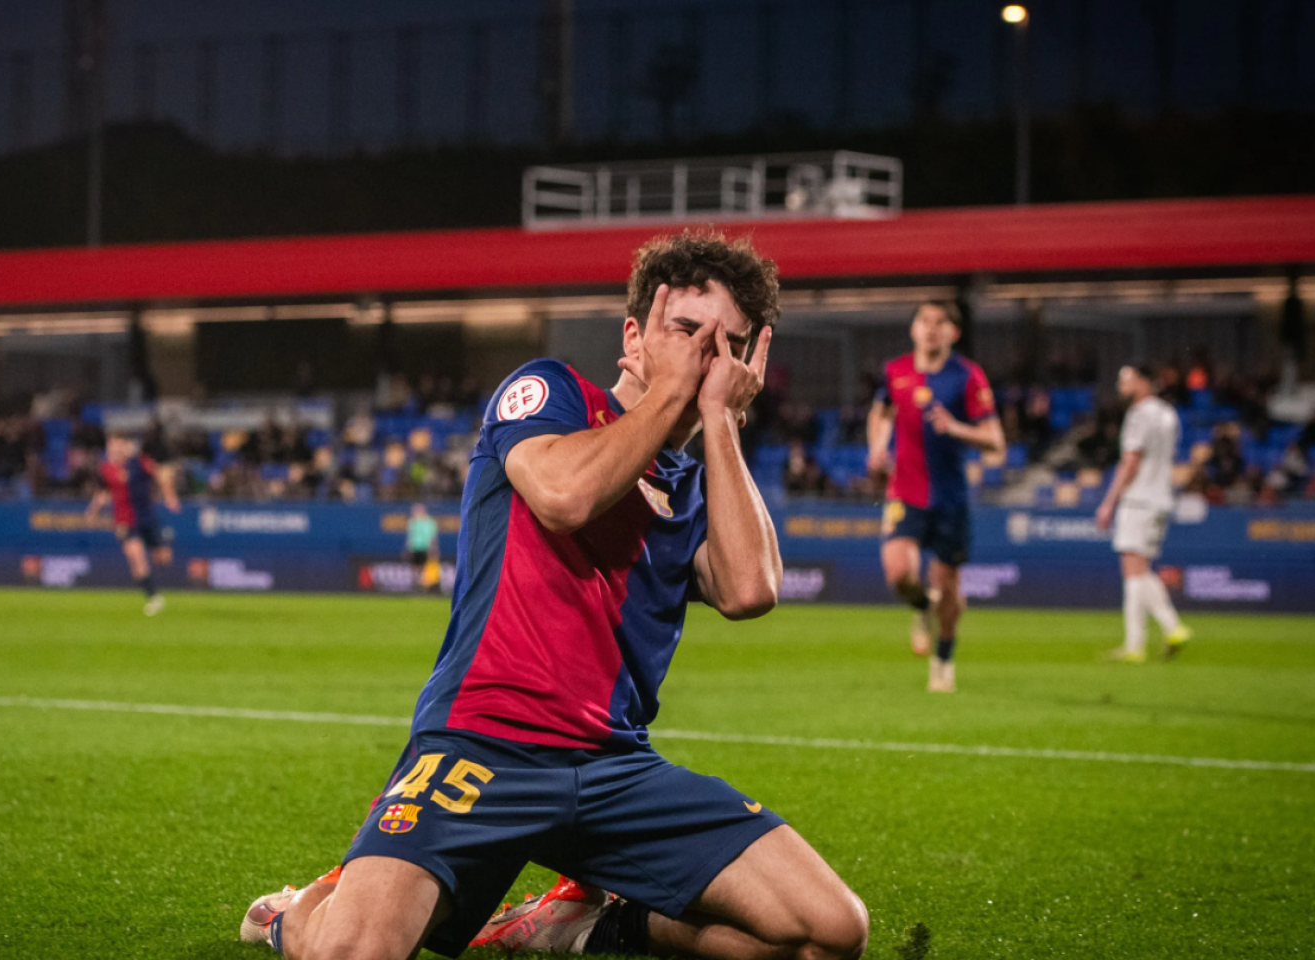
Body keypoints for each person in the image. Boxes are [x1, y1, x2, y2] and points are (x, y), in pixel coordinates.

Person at [239, 232, 867, 960]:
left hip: (612, 767)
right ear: (634, 335)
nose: (703, 358)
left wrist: (720, 422)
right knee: (357, 953)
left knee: (830, 933)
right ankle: (297, 912)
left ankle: (594, 925)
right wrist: (671, 393)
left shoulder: (698, 488)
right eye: (685, 333)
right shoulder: (550, 394)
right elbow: (566, 496)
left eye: (724, 345)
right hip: (483, 743)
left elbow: (751, 591)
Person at [866, 302, 1003, 693]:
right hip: (904, 491)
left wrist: (957, 428)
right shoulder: (895, 371)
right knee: (899, 573)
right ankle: (920, 605)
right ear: (913, 329)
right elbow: (881, 412)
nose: (930, 328)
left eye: (940, 322)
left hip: (950, 500)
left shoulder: (967, 377)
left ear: (953, 333)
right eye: (923, 321)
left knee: (949, 590)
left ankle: (943, 659)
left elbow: (996, 441)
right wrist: (877, 446)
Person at [1096, 362, 1192, 662]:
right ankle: (1149, 638)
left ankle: (1154, 635)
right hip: (1162, 496)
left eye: (1126, 379)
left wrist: (1109, 501)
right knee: (1140, 569)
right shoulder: (1168, 413)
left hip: (1138, 498)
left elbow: (1131, 461)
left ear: (1143, 382)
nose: (1120, 385)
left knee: (1132, 569)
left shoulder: (1138, 414)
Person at [86, 434, 180, 616]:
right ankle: (153, 598)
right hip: (124, 521)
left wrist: (169, 496)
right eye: (110, 447)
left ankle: (165, 541)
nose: (114, 450)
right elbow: (104, 492)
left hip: (147, 518)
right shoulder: (106, 469)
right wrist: (93, 509)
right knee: (135, 555)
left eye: (117, 446)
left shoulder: (139, 463)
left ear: (125, 447)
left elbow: (161, 473)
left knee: (163, 558)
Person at [404, 502, 441, 594]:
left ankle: (422, 586)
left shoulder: (429, 522)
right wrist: (408, 548)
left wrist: (433, 548)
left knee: (424, 568)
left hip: (425, 548)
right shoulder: (412, 522)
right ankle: (415, 585)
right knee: (414, 567)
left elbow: (433, 537)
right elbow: (410, 536)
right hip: (415, 548)